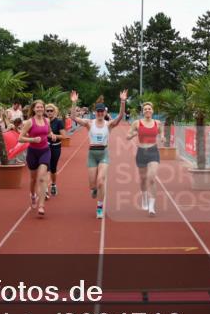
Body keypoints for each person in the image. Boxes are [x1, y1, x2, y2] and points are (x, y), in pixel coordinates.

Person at [70, 90, 127, 219]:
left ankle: (100, 207)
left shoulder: (109, 125)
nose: (100, 113)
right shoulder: (89, 123)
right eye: (98, 111)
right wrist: (74, 103)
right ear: (95, 112)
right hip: (92, 155)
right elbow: (73, 117)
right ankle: (94, 189)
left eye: (102, 111)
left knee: (101, 181)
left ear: (105, 112)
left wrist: (123, 101)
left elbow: (120, 116)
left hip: (103, 154)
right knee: (93, 184)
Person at [18, 100, 58, 217]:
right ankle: (32, 195)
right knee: (33, 179)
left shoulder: (47, 120)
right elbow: (20, 138)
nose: (40, 109)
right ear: (34, 109)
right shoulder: (29, 122)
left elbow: (49, 132)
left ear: (44, 109)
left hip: (45, 151)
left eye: (42, 107)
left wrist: (52, 135)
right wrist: (32, 140)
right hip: (33, 152)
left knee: (42, 178)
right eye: (38, 107)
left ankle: (41, 206)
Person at [127, 101, 163, 216]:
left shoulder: (158, 123)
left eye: (149, 109)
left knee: (151, 178)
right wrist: (132, 135)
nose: (147, 110)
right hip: (141, 152)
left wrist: (162, 137)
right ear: (143, 112)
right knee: (143, 179)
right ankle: (144, 197)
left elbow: (161, 133)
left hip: (153, 152)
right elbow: (127, 136)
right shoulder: (137, 123)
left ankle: (151, 207)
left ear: (152, 111)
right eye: (145, 109)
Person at [45, 104, 67, 198]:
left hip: (55, 147)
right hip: (45, 148)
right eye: (48, 111)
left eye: (51, 110)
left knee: (53, 168)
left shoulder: (58, 122)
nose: (49, 112)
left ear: (55, 111)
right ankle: (45, 189)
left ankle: (53, 184)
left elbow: (64, 136)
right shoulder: (43, 121)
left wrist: (53, 136)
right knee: (45, 167)